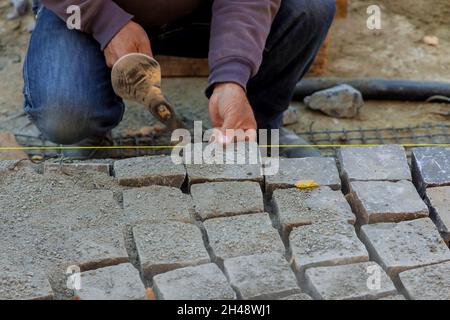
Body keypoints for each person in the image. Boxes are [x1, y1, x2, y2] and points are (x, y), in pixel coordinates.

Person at [24, 0, 336, 158]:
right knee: (65, 114)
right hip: (85, 12)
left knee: (309, 7)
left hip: (202, 13)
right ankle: (88, 133)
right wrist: (105, 22)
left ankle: (256, 124)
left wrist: (232, 77)